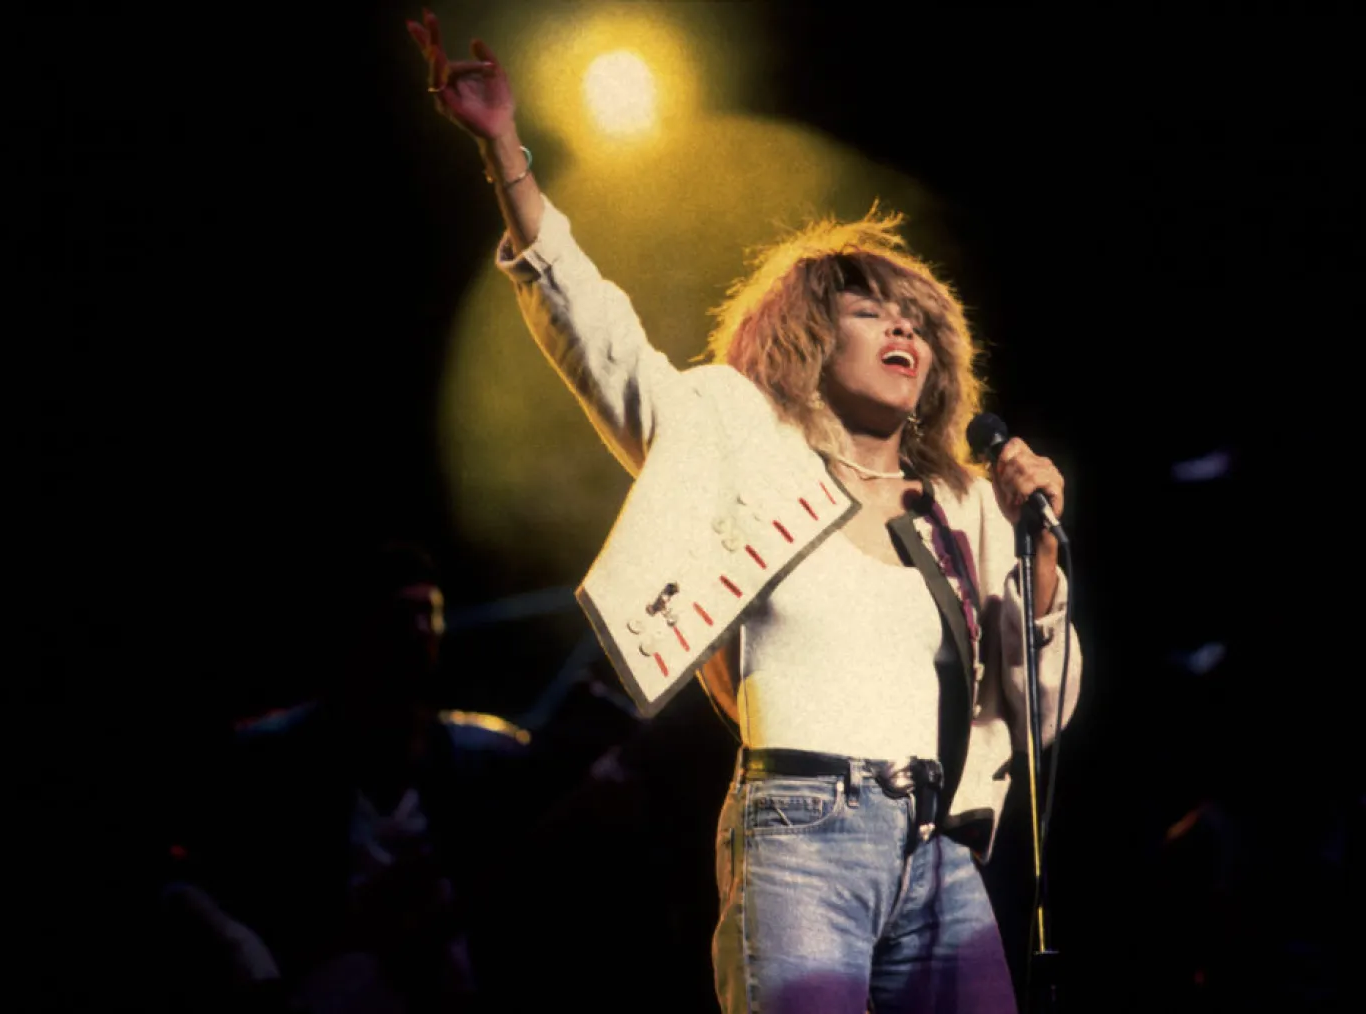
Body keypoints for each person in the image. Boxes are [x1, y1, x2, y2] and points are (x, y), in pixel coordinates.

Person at [407, 11, 1083, 1012]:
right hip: (801, 828)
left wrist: (1044, 572)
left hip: (942, 853)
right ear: (809, 335)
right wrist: (508, 152)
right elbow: (604, 346)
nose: (901, 326)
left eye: (916, 321)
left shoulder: (965, 507)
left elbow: (1040, 714)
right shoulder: (740, 440)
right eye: (867, 308)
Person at [157, 541, 530, 1014]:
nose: (419, 631)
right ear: (360, 628)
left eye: (429, 614)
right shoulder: (270, 758)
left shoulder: (483, 752)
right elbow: (183, 876)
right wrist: (241, 947)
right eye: (401, 614)